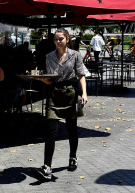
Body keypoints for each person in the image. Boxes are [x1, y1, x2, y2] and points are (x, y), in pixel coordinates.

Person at [35, 28, 88, 181]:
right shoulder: (49, 57)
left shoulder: (75, 55)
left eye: (60, 39)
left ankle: (73, 156)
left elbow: (81, 75)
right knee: (51, 129)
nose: (58, 42)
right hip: (54, 93)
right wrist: (41, 80)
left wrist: (84, 93)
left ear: (67, 38)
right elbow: (50, 78)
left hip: (71, 93)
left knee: (72, 128)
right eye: (56, 39)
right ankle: (47, 166)